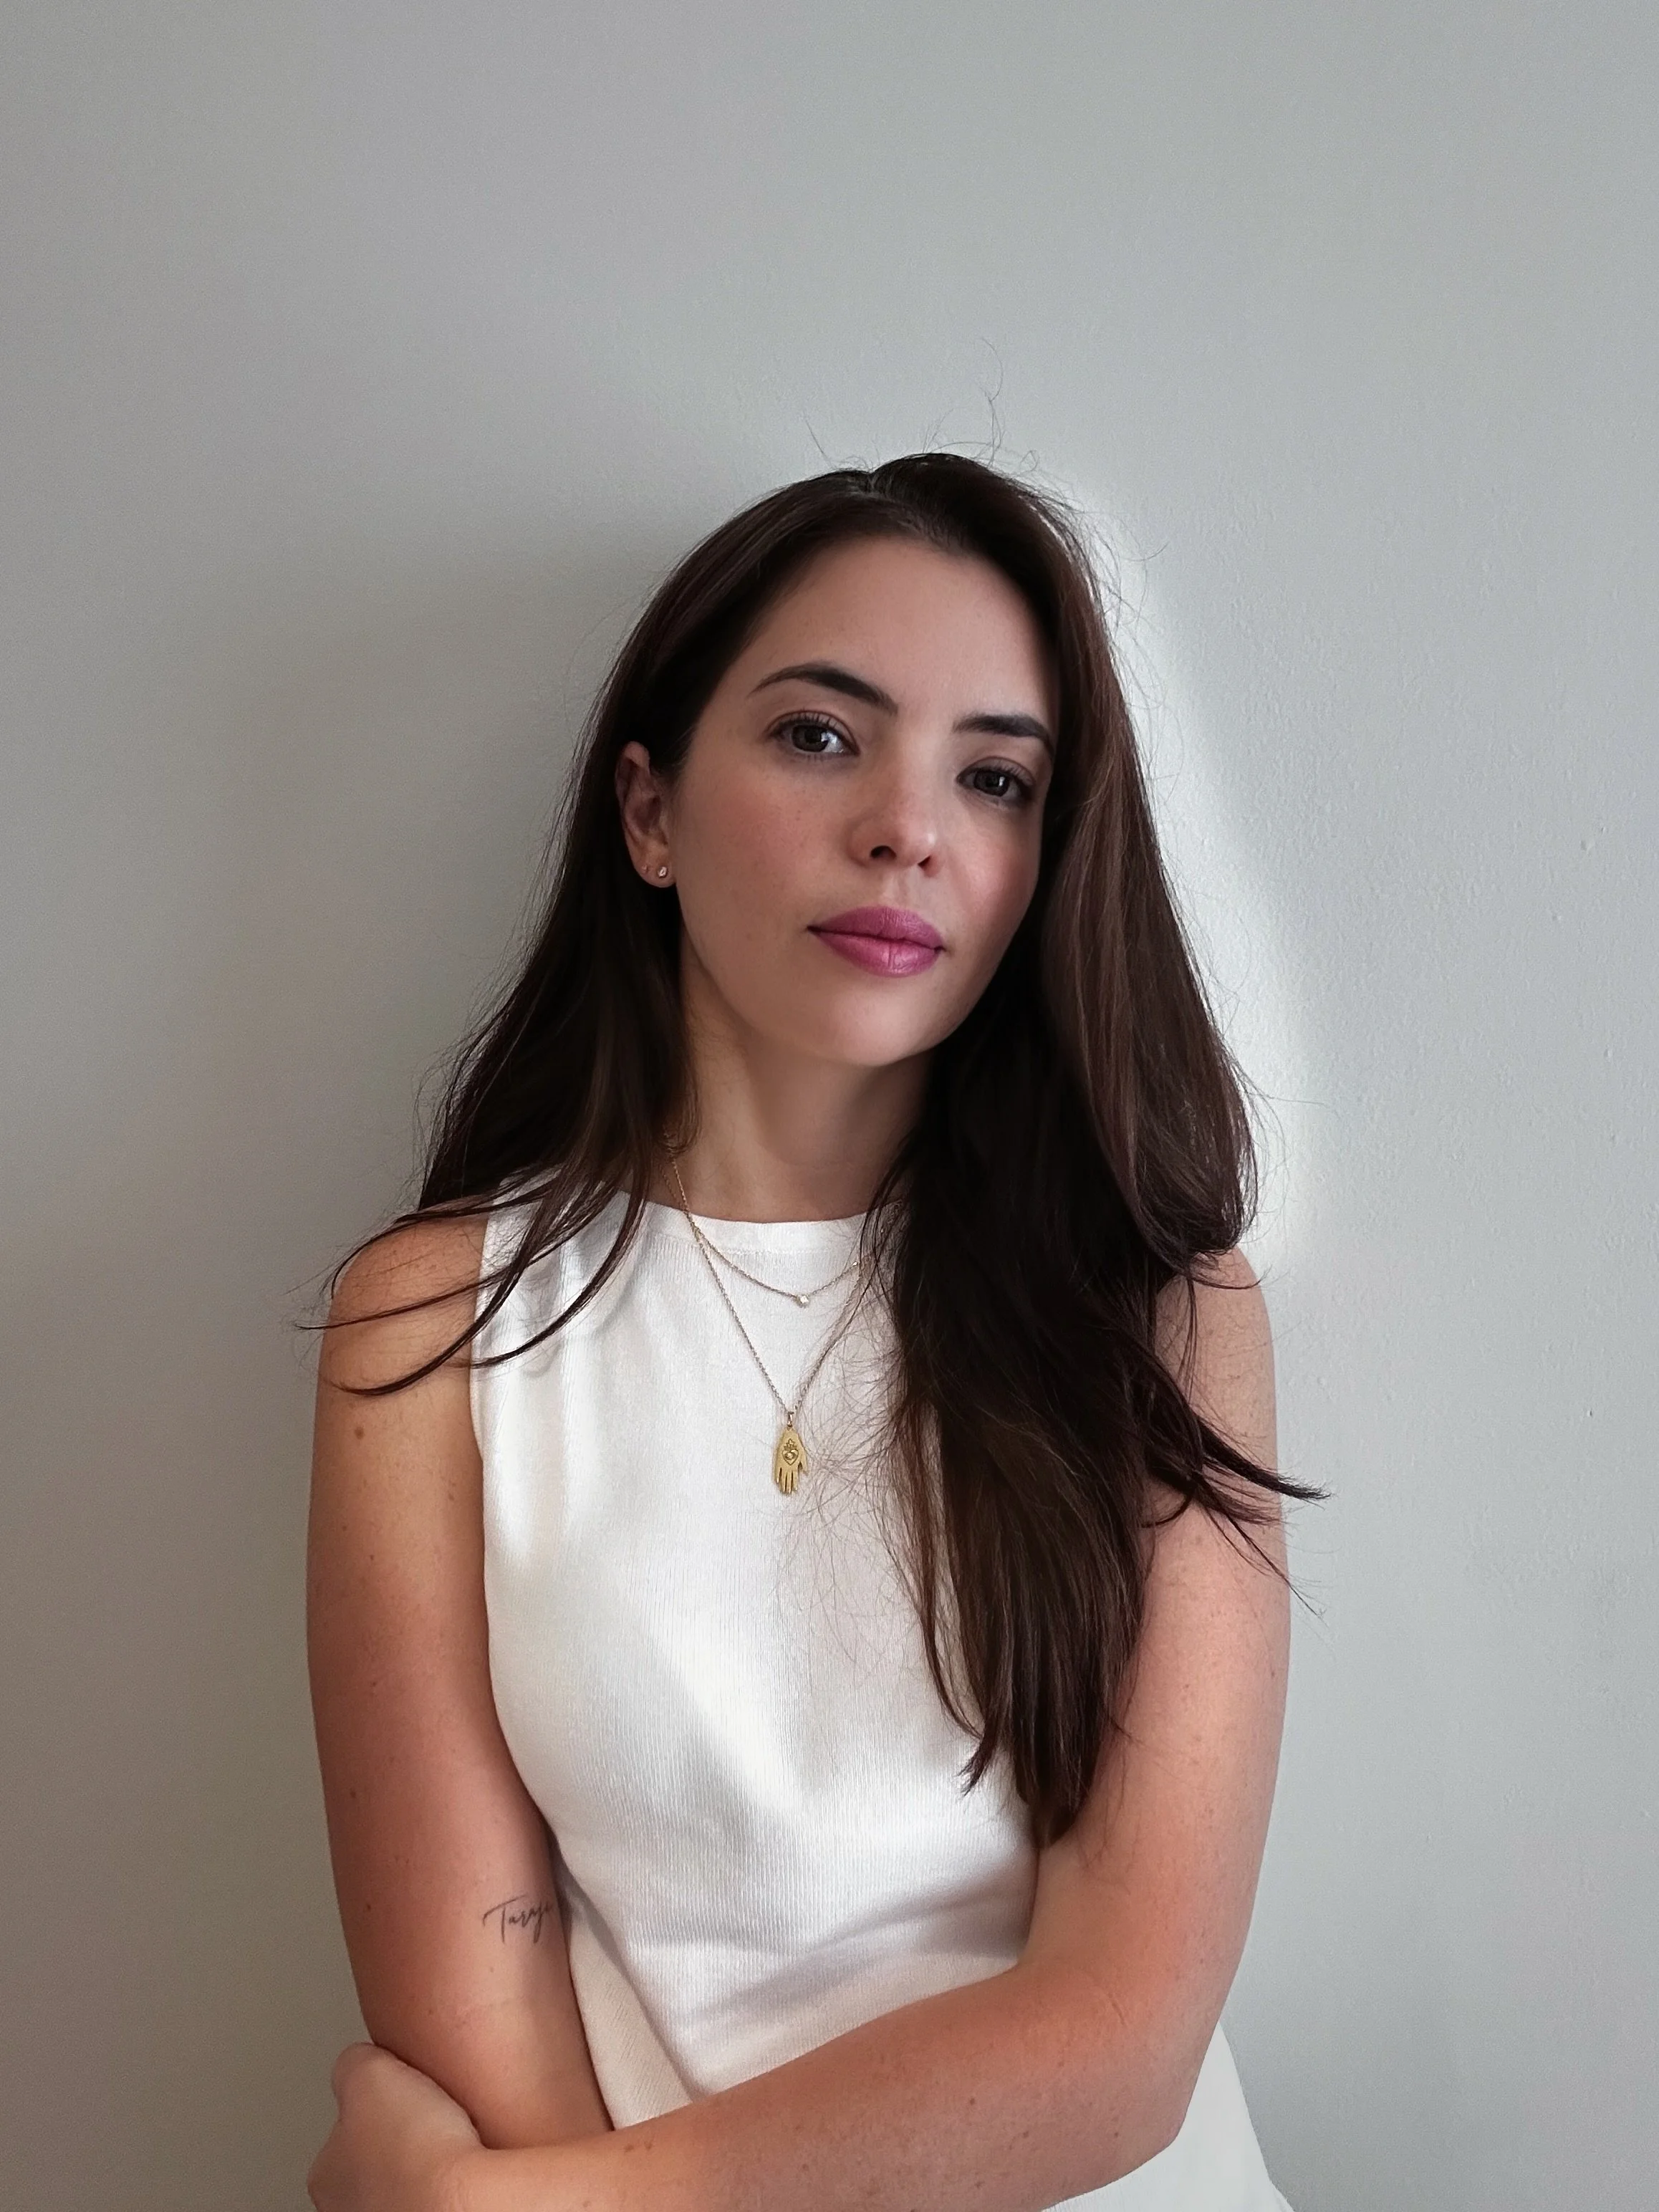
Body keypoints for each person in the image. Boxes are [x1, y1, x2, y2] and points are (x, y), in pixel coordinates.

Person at [304, 453, 1311, 2212]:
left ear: (1040, 864)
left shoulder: (1156, 1309)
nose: (910, 826)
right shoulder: (438, 1320)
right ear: (649, 811)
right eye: (822, 736)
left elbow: (1122, 2040)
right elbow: (474, 1980)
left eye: (994, 776)